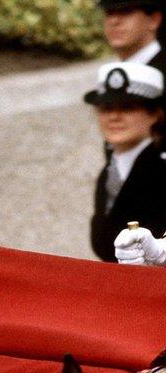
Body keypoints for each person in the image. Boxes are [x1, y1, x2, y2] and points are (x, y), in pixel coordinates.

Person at [84, 61, 166, 262]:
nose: (114, 117)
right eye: (106, 108)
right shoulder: (110, 169)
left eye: (128, 107)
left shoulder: (162, 168)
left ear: (155, 114)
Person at [101, 0, 165, 73]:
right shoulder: (110, 74)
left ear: (154, 20)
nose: (114, 21)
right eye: (109, 13)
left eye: (125, 11)